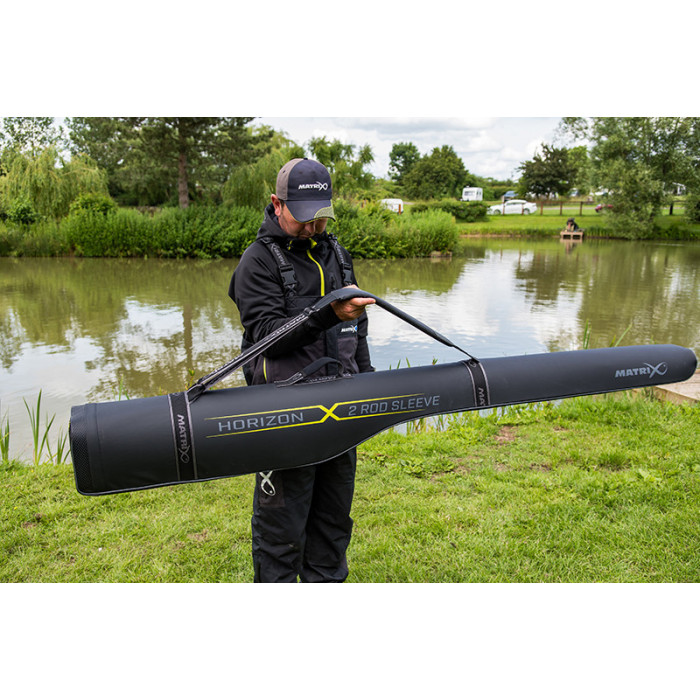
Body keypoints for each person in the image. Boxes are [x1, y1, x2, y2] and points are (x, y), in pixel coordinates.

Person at [228, 157, 375, 583]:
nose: (313, 227)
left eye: (321, 217)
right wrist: (328, 313)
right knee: (281, 532)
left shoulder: (338, 255)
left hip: (341, 412)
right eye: (304, 217)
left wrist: (368, 387)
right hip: (283, 417)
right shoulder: (257, 262)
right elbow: (267, 336)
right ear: (277, 204)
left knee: (333, 524)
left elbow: (358, 329)